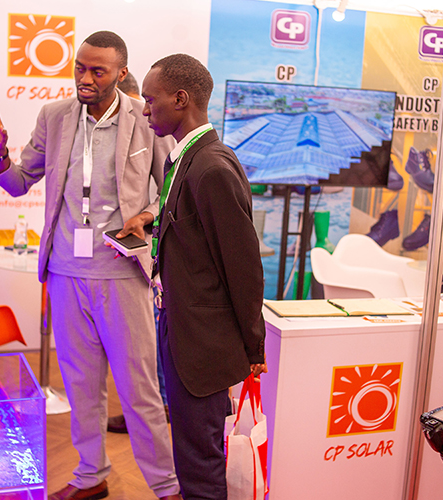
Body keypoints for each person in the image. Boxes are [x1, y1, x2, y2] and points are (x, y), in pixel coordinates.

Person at [0, 31, 180, 500]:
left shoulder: (145, 118)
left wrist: (146, 217)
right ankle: (90, 475)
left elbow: (171, 190)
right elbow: (19, 182)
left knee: (140, 390)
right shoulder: (55, 116)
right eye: (80, 68)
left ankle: (167, 486)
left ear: (121, 73)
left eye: (97, 71)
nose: (85, 78)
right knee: (81, 386)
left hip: (122, 273)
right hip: (65, 273)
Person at [138, 53, 266, 500]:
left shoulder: (211, 167)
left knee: (201, 461)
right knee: (191, 453)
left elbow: (243, 266)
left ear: (180, 98)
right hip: (181, 327)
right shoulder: (183, 159)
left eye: (150, 100)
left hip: (203, 343)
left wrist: (253, 346)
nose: (145, 109)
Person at [107, 70, 169, 435]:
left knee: (153, 342)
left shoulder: (152, 132)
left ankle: (157, 407)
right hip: (136, 253)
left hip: (152, 257)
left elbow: (168, 191)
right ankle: (152, 406)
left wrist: (144, 217)